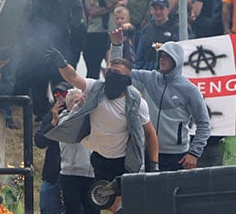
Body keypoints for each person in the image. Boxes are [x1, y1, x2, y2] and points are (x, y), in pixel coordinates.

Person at [45, 48, 159, 181]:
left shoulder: (136, 103)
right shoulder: (95, 88)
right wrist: (62, 64)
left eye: (116, 72)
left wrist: (154, 164)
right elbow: (73, 77)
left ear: (127, 79)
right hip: (98, 156)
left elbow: (150, 133)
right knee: (104, 199)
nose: (111, 74)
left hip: (125, 159)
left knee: (122, 198)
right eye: (109, 71)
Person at [109, 36, 210, 171]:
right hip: (149, 152)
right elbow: (118, 74)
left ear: (176, 61)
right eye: (160, 56)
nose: (162, 59)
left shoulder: (189, 89)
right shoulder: (149, 78)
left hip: (178, 156)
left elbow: (204, 123)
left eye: (167, 56)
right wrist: (116, 46)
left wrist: (194, 153)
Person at [56, 88, 100, 214]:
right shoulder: (64, 120)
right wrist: (77, 108)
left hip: (91, 176)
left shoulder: (93, 120)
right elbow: (70, 127)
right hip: (70, 175)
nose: (78, 104)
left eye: (80, 101)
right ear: (68, 104)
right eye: (74, 102)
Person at [34, 82, 73, 214]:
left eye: (63, 95)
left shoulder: (80, 115)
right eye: (56, 94)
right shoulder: (51, 116)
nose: (59, 98)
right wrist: (53, 122)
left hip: (73, 175)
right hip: (52, 174)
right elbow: (40, 142)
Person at [82, 0, 121, 79]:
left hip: (111, 30)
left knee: (115, 69)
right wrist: (110, 9)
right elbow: (91, 11)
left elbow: (110, 0)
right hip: (95, 31)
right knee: (92, 71)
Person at [135, 0, 180, 70]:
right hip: (149, 71)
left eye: (161, 9)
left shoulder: (176, 29)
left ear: (168, 10)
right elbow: (139, 57)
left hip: (169, 72)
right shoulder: (146, 29)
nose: (158, 12)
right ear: (151, 11)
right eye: (155, 9)